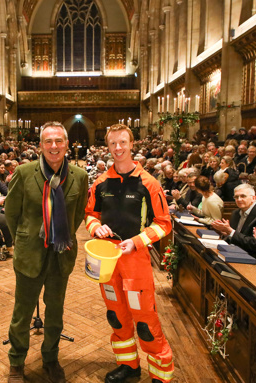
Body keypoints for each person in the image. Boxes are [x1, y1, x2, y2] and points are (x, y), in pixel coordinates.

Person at [85, 124, 174, 383]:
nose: (118, 148)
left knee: (144, 320)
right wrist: (95, 227)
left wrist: (137, 241)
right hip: (107, 259)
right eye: (113, 144)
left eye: (122, 142)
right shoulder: (101, 183)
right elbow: (90, 214)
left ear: (132, 144)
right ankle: (129, 366)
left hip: (135, 260)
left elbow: (164, 222)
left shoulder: (149, 182)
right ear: (107, 146)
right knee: (116, 315)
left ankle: (161, 373)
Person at [5, 122, 88, 383]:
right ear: (40, 145)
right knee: (23, 310)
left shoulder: (79, 176)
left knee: (55, 311)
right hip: (30, 252)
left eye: (59, 141)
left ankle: (50, 357)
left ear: (67, 144)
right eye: (48, 141)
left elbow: (79, 213)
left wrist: (61, 235)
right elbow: (11, 212)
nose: (54, 146)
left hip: (61, 254)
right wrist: (25, 237)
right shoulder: (24, 172)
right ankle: (17, 360)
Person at [212, 184, 256, 260]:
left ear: (253, 198)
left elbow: (255, 244)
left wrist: (230, 231)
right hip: (232, 251)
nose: (239, 199)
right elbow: (234, 236)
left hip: (249, 256)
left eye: (243, 196)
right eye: (236, 197)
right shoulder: (236, 213)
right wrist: (225, 232)